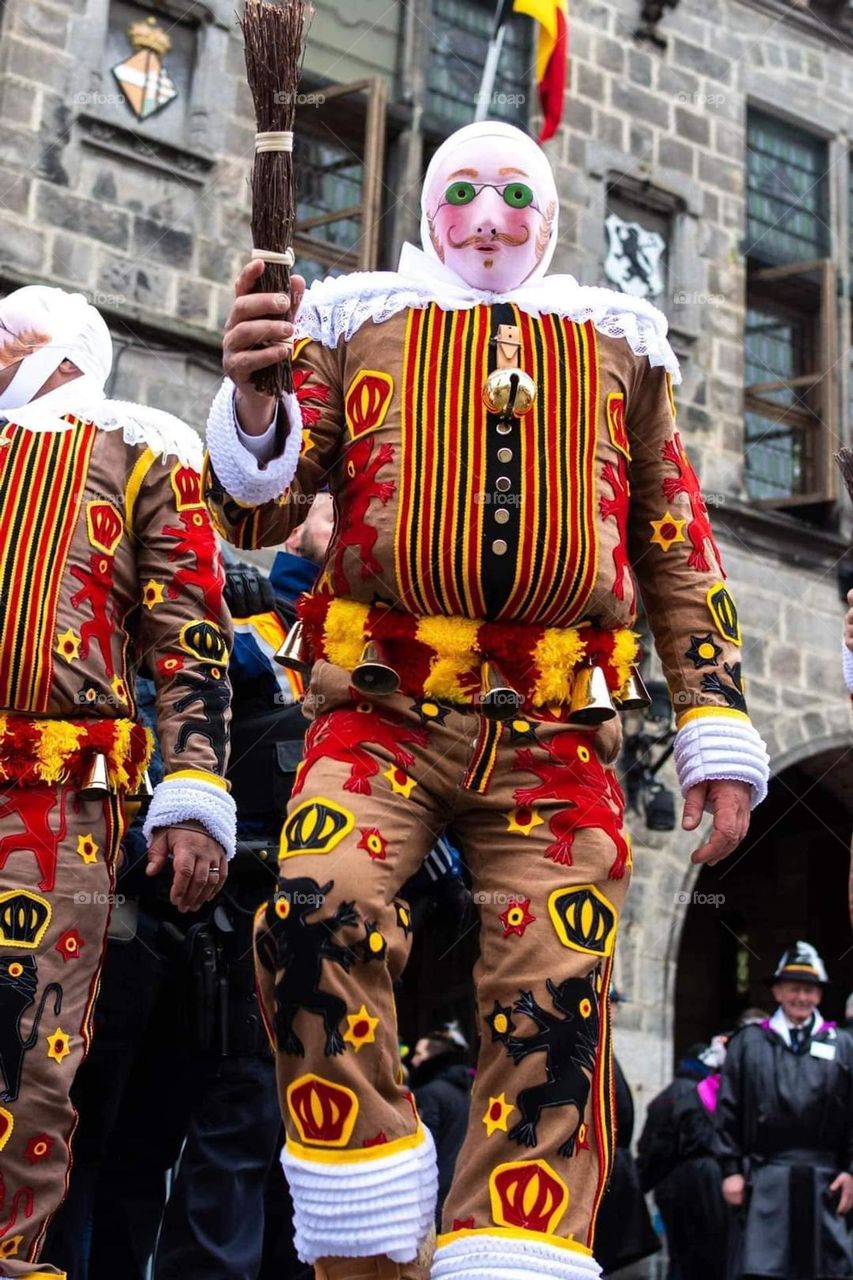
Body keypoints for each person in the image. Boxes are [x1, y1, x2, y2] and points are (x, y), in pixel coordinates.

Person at [203, 120, 770, 1280]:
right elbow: (259, 508)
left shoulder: (619, 351)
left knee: (553, 1000)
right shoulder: (355, 327)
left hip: (557, 731)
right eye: (460, 189)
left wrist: (714, 717)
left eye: (517, 191)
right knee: (311, 908)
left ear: (550, 217)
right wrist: (255, 407)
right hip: (379, 710)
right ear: (427, 210)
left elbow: (675, 542)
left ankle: (513, 1249)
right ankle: (368, 1221)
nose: (489, 213)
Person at [0, 285, 234, 1278]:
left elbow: (191, 635)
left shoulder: (137, 447)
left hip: (58, 796)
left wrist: (193, 791)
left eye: (12, 328)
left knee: (31, 1051)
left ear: (65, 357)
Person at [716, 941, 853, 1280]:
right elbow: (729, 1107)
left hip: (826, 1182)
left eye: (808, 990)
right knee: (764, 1271)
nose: (801, 998)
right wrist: (730, 1169)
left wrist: (852, 1170)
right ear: (777, 992)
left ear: (819, 996)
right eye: (793, 989)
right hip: (764, 1179)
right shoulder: (749, 1043)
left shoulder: (844, 1046)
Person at [638, 1040, 730, 1280]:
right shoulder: (702, 1095)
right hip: (700, 1184)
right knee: (704, 1257)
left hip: (671, 1187)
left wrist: (643, 1182)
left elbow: (651, 1148)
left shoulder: (665, 1096)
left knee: (679, 1256)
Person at [592, 990, 659, 1276]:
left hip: (615, 1164)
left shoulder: (603, 1044)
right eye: (612, 1004)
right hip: (601, 1163)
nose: (614, 1012)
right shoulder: (590, 1044)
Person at [409, 1026, 474, 1228]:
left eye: (419, 1054)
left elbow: (426, 1146)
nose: (413, 1060)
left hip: (435, 1188)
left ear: (432, 1057)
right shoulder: (467, 1089)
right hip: (462, 1182)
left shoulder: (429, 1094)